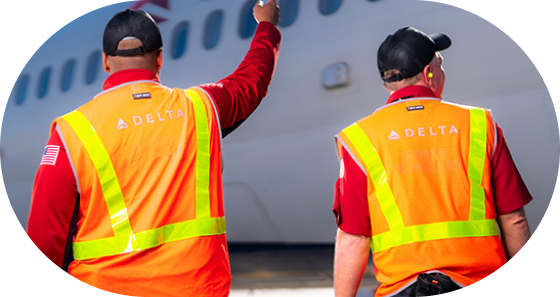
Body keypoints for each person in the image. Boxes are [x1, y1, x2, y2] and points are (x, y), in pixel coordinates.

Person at [26, 1, 281, 296]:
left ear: (106, 61)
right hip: (197, 288)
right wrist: (268, 26)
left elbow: (45, 236)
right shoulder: (200, 107)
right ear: (159, 59)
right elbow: (252, 80)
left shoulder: (71, 130)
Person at [332, 27, 532, 297]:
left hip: (403, 289)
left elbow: (353, 238)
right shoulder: (479, 124)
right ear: (428, 73)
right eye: (440, 64)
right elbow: (514, 219)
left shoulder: (359, 138)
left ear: (387, 83)